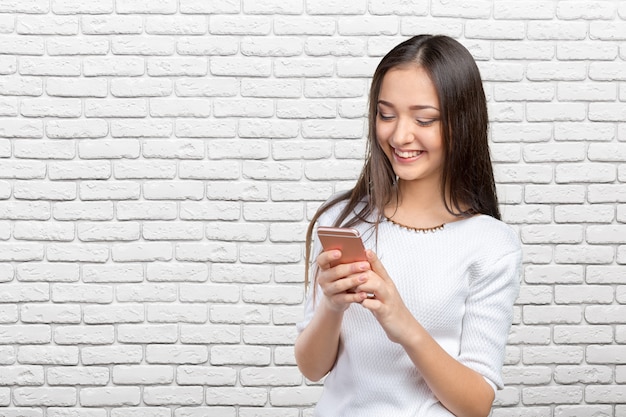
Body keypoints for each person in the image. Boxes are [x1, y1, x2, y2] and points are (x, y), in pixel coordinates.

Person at [294, 34, 522, 417]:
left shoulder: (491, 245)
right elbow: (312, 368)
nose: (400, 135)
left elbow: (476, 404)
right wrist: (331, 307)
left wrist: (402, 324)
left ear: (461, 123)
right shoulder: (345, 221)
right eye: (386, 114)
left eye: (424, 119)